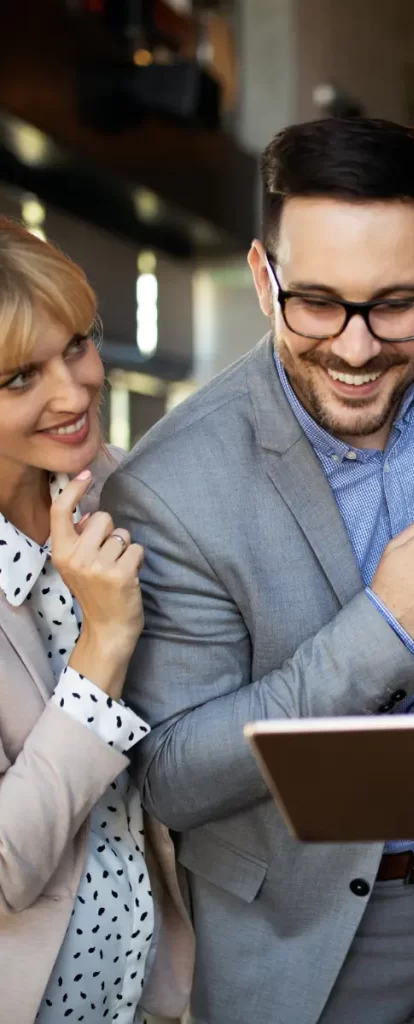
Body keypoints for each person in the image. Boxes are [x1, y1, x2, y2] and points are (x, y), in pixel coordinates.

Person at [103, 117, 414, 1024]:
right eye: (316, 303)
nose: (355, 350)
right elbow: (172, 772)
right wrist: (381, 635)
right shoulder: (171, 485)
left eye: (396, 305)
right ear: (263, 277)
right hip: (296, 953)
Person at [0, 219, 192, 1024]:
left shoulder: (135, 493)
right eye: (19, 377)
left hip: (159, 989)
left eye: (78, 345)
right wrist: (104, 646)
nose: (75, 393)